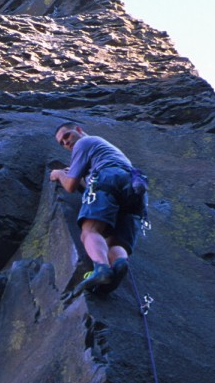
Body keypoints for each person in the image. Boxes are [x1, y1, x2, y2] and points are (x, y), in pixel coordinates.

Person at [49, 122, 146, 295]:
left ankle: (101, 269)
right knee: (114, 241)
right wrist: (78, 176)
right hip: (133, 189)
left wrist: (59, 174)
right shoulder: (108, 151)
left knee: (90, 231)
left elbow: (70, 186)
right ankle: (118, 264)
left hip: (108, 177)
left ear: (79, 130)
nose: (66, 142)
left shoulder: (83, 142)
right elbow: (99, 187)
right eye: (61, 143)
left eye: (67, 136)